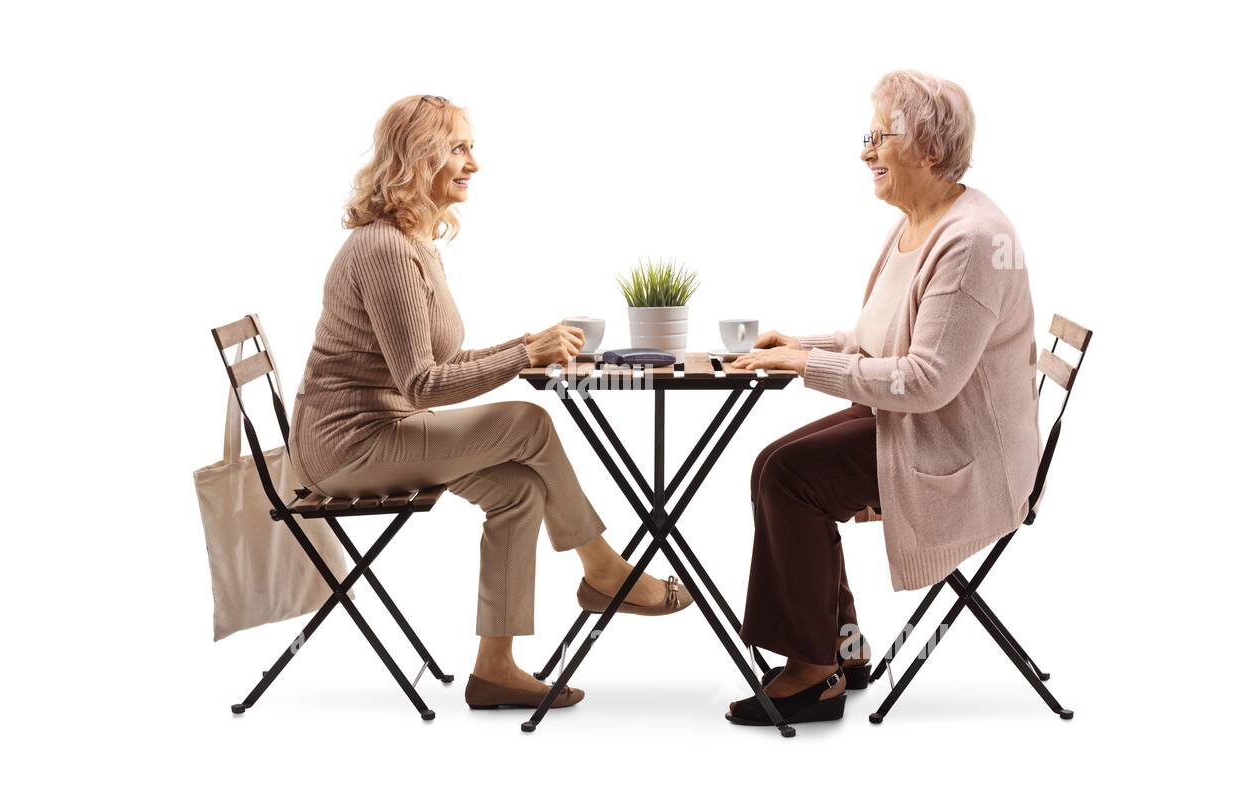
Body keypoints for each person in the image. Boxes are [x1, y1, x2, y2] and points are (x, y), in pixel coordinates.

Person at [288, 95, 691, 713]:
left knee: (517, 489)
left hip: (382, 428)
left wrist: (527, 346)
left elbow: (437, 367)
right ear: (418, 159)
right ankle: (605, 570)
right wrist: (524, 356)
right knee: (528, 420)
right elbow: (423, 384)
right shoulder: (386, 251)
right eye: (459, 148)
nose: (474, 161)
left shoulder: (414, 244)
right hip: (348, 447)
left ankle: (495, 669)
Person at [724, 71, 1041, 726]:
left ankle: (814, 676)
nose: (865, 150)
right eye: (865, 136)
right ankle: (842, 647)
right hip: (924, 424)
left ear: (927, 148)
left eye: (878, 136)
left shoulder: (973, 240)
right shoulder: (921, 222)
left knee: (790, 477)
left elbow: (926, 381)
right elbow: (884, 338)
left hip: (963, 452)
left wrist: (808, 365)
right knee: (773, 466)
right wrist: (802, 342)